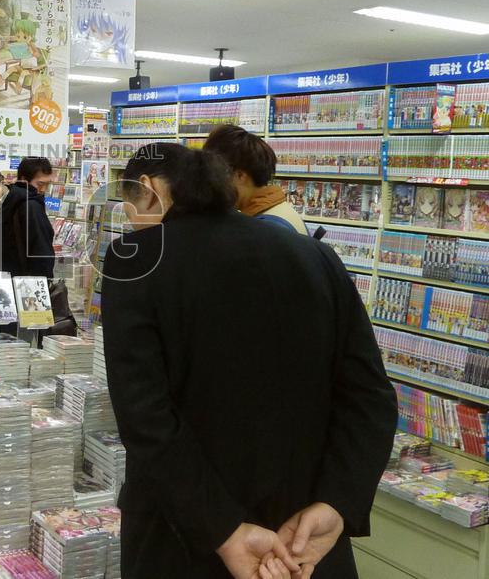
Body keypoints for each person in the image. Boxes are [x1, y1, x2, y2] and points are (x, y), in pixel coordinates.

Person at [101, 142, 397, 579]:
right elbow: (370, 396)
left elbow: (146, 419)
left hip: (184, 542)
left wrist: (223, 530)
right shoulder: (314, 255)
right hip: (304, 542)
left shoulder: (137, 260)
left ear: (146, 189)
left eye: (128, 205)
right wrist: (337, 503)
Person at [203, 124, 308, 234]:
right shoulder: (279, 210)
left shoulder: (264, 229)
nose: (213, 185)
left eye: (216, 175)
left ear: (239, 176)